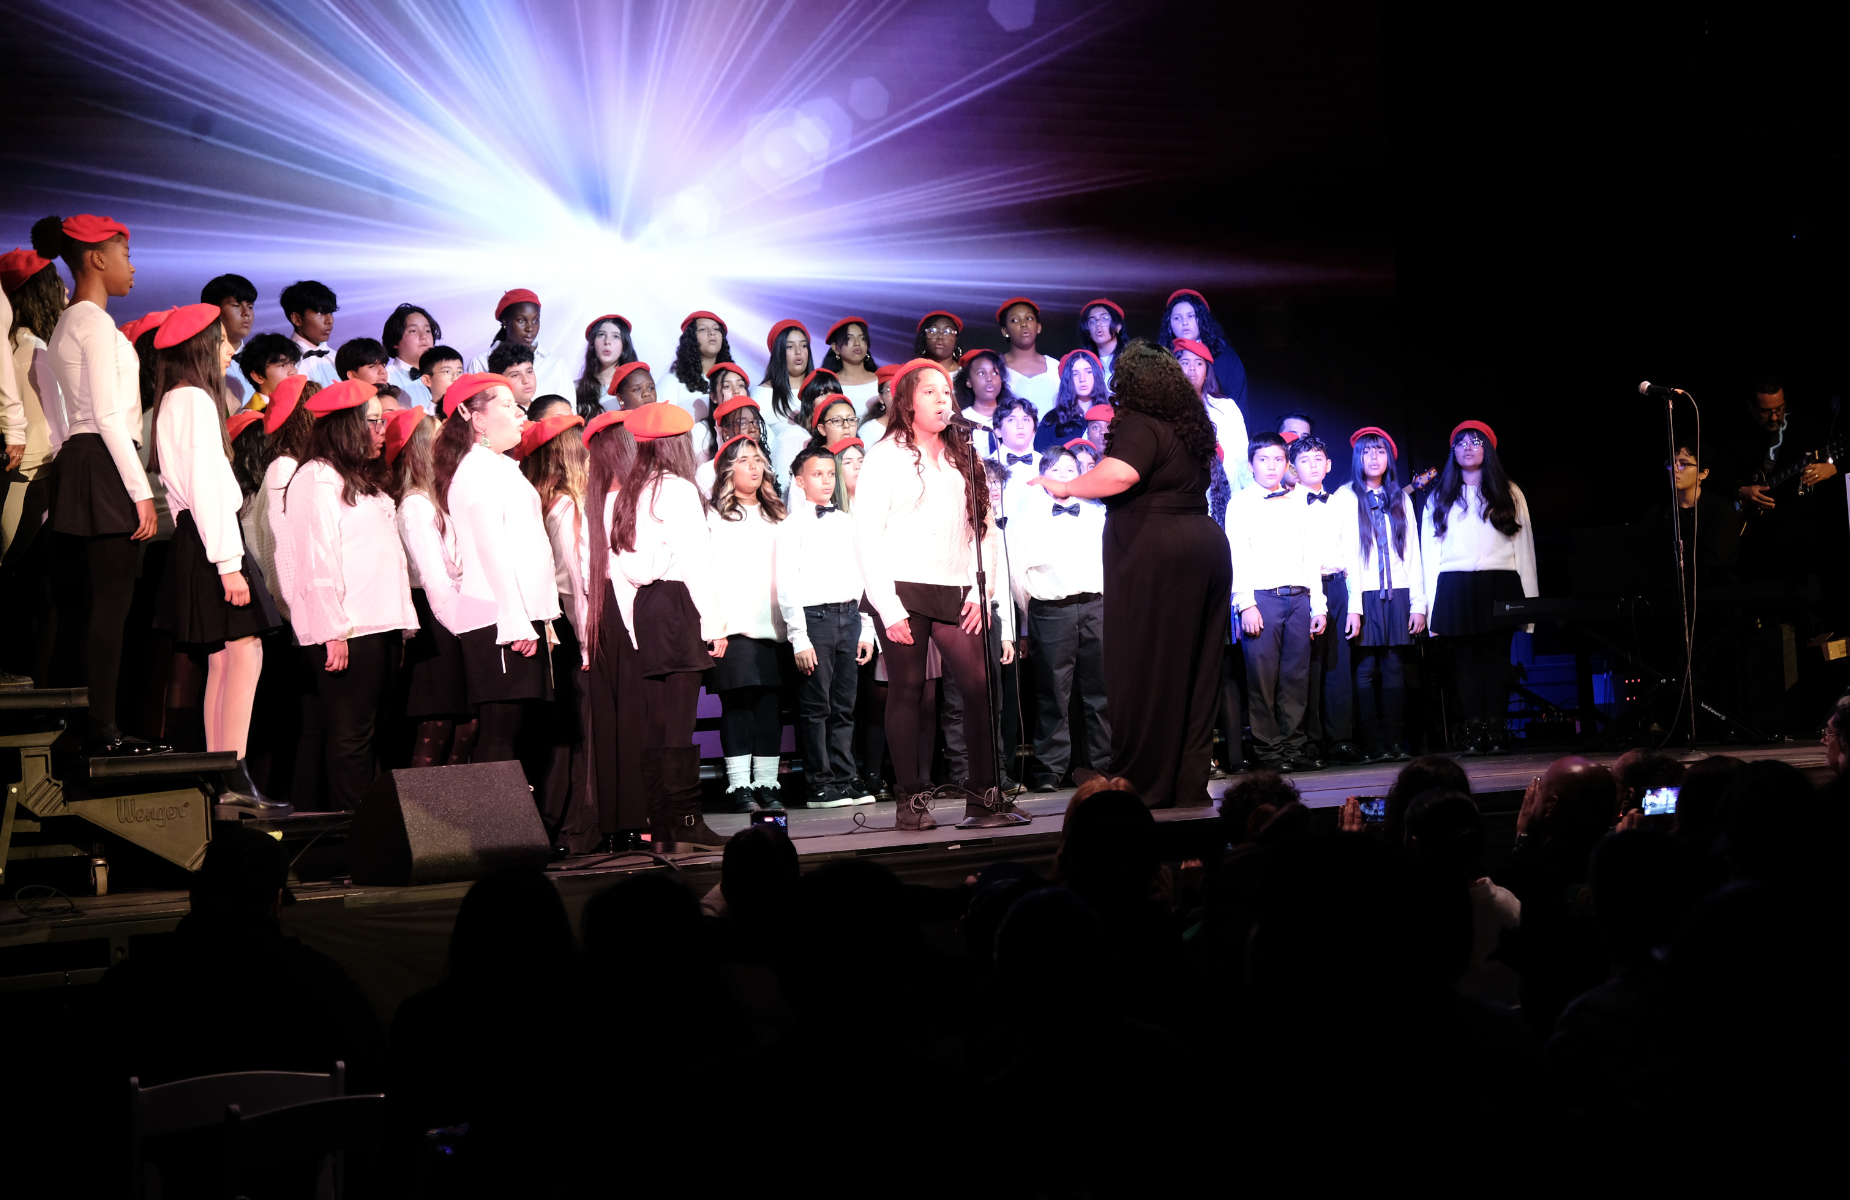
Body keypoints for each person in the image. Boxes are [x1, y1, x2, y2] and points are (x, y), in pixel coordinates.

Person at [1032, 342, 1229, 808]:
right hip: (1203, 543)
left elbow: (1118, 476)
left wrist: (1064, 486)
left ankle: (1143, 779)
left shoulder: (1141, 422)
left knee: (1148, 664)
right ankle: (1186, 781)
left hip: (1156, 546)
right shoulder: (1193, 423)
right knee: (1195, 671)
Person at [857, 359, 1023, 830]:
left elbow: (985, 528)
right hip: (903, 588)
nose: (942, 399)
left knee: (979, 688)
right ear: (906, 400)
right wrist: (886, 606)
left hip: (956, 585)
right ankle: (911, 801)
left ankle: (985, 798)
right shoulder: (884, 455)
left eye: (946, 392)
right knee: (908, 691)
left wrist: (979, 590)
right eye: (930, 392)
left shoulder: (962, 454)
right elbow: (866, 535)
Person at [34, 214, 167, 755]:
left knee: (89, 607)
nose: (132, 267)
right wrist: (140, 492)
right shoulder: (93, 323)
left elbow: (60, 410)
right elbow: (110, 418)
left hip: (81, 459)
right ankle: (103, 729)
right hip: (106, 460)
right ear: (96, 258)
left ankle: (88, 725)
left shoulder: (67, 324)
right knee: (111, 608)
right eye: (126, 255)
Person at [148, 303, 280, 807]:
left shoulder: (176, 400)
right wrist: (229, 564)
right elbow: (204, 485)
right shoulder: (197, 401)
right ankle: (233, 771)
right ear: (202, 345)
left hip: (197, 536)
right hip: (211, 540)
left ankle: (224, 775)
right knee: (243, 651)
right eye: (223, 340)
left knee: (226, 658)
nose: (231, 349)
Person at [283, 379, 417, 812]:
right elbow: (315, 557)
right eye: (374, 421)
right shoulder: (316, 476)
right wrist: (331, 631)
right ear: (346, 426)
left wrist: (403, 623)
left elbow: (386, 558)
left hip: (379, 624)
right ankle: (355, 839)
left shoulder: (362, 478)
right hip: (348, 627)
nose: (383, 430)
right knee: (351, 738)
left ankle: (374, 833)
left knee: (374, 735)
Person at [609, 403, 729, 850]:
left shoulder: (630, 491)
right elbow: (696, 563)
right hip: (679, 603)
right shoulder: (677, 489)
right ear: (678, 443)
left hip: (648, 606)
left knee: (656, 723)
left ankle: (660, 824)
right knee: (679, 722)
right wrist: (715, 624)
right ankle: (687, 820)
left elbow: (623, 567)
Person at [434, 373, 561, 768]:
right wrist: (512, 617)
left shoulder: (500, 465)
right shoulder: (476, 469)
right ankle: (494, 831)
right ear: (477, 418)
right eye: (506, 405)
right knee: (500, 732)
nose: (520, 413)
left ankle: (505, 827)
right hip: (497, 617)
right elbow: (490, 547)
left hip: (515, 614)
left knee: (514, 733)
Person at [1420, 420, 1537, 755]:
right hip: (1454, 585)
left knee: (1497, 660)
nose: (1468, 447)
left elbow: (1524, 548)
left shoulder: (1509, 492)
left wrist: (1530, 607)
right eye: (1461, 442)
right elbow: (1431, 554)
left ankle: (1498, 730)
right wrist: (1429, 607)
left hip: (1499, 581)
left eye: (1476, 441)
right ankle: (1473, 732)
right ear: (1452, 451)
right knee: (1465, 662)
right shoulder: (1440, 494)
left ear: (1489, 449)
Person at [516, 411, 599, 851]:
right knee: (575, 733)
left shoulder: (553, 500)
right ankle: (573, 826)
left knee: (571, 733)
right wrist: (587, 642)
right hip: (572, 627)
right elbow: (576, 578)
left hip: (568, 625)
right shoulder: (565, 505)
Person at [777, 443, 878, 809]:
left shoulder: (847, 522)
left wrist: (865, 627)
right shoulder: (792, 526)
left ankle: (845, 777)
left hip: (848, 616)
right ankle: (819, 783)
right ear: (800, 481)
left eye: (830, 474)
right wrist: (798, 637)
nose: (825, 481)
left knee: (844, 706)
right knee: (816, 705)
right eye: (817, 474)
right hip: (815, 620)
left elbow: (861, 576)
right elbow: (786, 583)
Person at [1008, 443, 1110, 790]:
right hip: (1051, 611)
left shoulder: (1097, 513)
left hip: (1096, 606)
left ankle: (1102, 765)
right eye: (1057, 471)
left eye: (1071, 471)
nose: (1065, 477)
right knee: (1053, 694)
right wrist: (1030, 617)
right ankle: (1049, 770)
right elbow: (1018, 576)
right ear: (1042, 478)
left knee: (1099, 693)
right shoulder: (1027, 517)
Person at [1228, 431, 1327, 772]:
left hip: (1299, 597)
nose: (1271, 466)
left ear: (1287, 463)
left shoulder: (1300, 499)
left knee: (1296, 678)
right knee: (1262, 679)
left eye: (1278, 459)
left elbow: (1310, 554)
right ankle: (1269, 750)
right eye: (1263, 459)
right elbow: (1237, 556)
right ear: (1252, 463)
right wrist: (1245, 603)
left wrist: (1319, 605)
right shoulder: (1240, 503)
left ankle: (1294, 746)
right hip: (1263, 600)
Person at [707, 433, 793, 812]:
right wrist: (714, 625)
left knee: (769, 708)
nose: (754, 467)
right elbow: (706, 573)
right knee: (738, 707)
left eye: (758, 460)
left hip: (773, 628)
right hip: (733, 628)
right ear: (728, 470)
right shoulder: (715, 516)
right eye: (744, 460)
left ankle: (767, 783)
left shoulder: (777, 515)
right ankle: (739, 785)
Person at [385, 407, 474, 769]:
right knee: (436, 722)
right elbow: (433, 577)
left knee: (465, 722)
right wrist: (463, 627)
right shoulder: (414, 505)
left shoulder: (436, 499)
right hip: (436, 619)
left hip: (454, 611)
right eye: (435, 438)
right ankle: (421, 819)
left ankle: (458, 814)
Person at [1340, 427, 1425, 761]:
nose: (1373, 458)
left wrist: (1418, 603)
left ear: (1389, 457)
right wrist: (1354, 604)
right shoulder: (1346, 497)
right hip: (1365, 592)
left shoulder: (1400, 497)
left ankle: (1394, 742)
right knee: (1364, 670)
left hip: (1399, 590)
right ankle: (1373, 743)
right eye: (1366, 451)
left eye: (1380, 451)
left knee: (1393, 667)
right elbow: (1347, 557)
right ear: (1357, 458)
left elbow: (1414, 553)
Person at [0, 246, 63, 684]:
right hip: (32, 477)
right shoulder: (32, 347)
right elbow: (47, 426)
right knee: (24, 587)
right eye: (56, 283)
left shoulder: (20, 344)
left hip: (33, 475)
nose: (64, 293)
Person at [580, 410, 642, 847]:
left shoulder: (590, 501)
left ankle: (613, 823)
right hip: (631, 613)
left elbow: (583, 572)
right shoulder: (630, 500)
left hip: (600, 616)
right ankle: (639, 817)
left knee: (610, 721)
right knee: (636, 720)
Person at [1293, 436, 1362, 764]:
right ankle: (1310, 741)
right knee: (1309, 666)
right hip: (1304, 589)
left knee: (1338, 666)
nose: (1313, 465)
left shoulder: (1341, 503)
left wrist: (1355, 605)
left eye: (1318, 459)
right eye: (1304, 460)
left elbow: (1353, 554)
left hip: (1337, 586)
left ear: (1329, 464)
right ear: (1293, 467)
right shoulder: (1289, 503)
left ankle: (1341, 739)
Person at [468, 287, 571, 398]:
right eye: (521, 320)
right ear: (505, 321)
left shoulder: (555, 364)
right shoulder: (480, 363)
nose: (530, 328)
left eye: (535, 320)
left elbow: (570, 412)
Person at [1156, 288, 1246, 410]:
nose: (1184, 323)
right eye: (1177, 318)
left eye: (1191, 316)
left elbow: (1239, 403)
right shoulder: (1161, 359)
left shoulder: (1225, 357)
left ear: (1202, 320)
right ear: (1169, 325)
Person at [755, 318, 812, 482]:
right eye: (789, 346)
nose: (798, 351)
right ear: (778, 352)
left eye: (803, 345)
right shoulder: (762, 395)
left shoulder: (820, 388)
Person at [200, 273, 257, 410]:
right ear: (213, 310)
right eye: (236, 305)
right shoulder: (200, 363)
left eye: (250, 306)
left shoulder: (260, 359)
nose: (246, 313)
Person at [695, 380, 764, 492]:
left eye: (756, 422)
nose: (752, 429)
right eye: (742, 423)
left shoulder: (762, 464)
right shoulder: (708, 472)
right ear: (725, 432)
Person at [996, 297, 1059, 417]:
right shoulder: (995, 368)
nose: (1024, 324)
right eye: (1014, 320)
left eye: (1029, 318)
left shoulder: (1055, 367)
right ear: (1005, 331)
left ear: (1038, 327)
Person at [1035, 349, 1107, 454]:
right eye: (1075, 374)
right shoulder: (1052, 420)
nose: (1082, 379)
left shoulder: (1111, 416)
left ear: (1096, 375)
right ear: (1067, 380)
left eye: (1088, 372)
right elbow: (1041, 460)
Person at [574, 312, 639, 420]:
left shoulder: (638, 388)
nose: (607, 342)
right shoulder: (576, 389)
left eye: (616, 337)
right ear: (593, 344)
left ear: (624, 344)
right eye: (601, 335)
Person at [279, 279, 339, 387]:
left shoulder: (339, 360)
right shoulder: (280, 363)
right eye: (320, 313)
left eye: (330, 312)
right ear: (296, 319)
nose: (329, 320)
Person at [382, 303, 440, 412]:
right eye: (413, 331)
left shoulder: (444, 376)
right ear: (395, 341)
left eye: (428, 331)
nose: (424, 336)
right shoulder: (386, 380)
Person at [955, 347, 1009, 457]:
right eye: (981, 373)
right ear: (968, 382)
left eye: (995, 373)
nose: (989, 378)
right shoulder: (961, 421)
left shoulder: (1012, 416)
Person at [820, 316, 881, 413]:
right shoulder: (828, 386)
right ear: (835, 348)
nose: (857, 343)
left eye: (862, 338)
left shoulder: (881, 381)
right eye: (849, 338)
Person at [232, 333, 300, 413]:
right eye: (282, 365)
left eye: (293, 364)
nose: (292, 372)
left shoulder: (299, 404)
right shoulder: (250, 416)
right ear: (258, 376)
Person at [1077, 297, 1124, 377]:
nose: (1098, 324)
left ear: (1118, 326)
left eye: (1105, 318)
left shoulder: (1133, 361)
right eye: (1092, 321)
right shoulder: (1084, 365)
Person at [487, 341, 539, 412]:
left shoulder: (547, 409)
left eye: (529, 372)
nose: (526, 380)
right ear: (499, 380)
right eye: (515, 375)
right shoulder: (498, 417)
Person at [912, 310, 963, 376]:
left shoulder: (966, 375)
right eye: (933, 330)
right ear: (924, 338)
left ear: (956, 340)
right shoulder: (912, 373)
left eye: (947, 331)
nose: (940, 336)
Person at [419, 344, 465, 414]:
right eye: (447, 372)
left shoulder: (472, 411)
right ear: (427, 380)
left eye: (459, 372)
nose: (456, 378)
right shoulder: (426, 421)